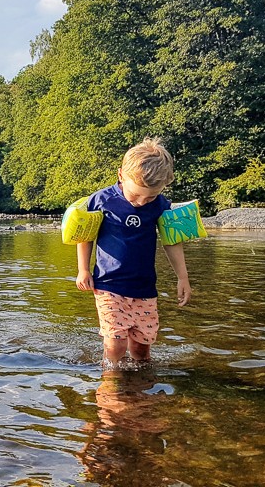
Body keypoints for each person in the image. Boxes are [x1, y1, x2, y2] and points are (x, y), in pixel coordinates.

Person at [75, 138, 192, 367]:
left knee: (141, 348)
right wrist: (83, 269)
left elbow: (172, 241)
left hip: (144, 287)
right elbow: (85, 235)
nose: (141, 201)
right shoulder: (101, 200)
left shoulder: (160, 205)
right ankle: (111, 388)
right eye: (136, 194)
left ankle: (140, 391)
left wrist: (183, 277)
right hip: (109, 284)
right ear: (121, 176)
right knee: (115, 344)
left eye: (149, 196)